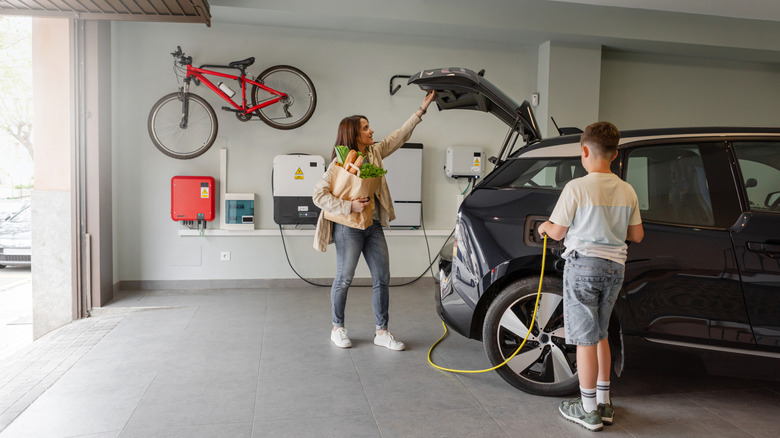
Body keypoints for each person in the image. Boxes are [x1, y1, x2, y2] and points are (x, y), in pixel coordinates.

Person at [537, 121, 644, 432]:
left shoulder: (577, 187)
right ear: (614, 154)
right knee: (600, 334)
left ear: (584, 151)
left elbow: (557, 230)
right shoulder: (627, 190)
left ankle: (587, 410)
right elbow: (636, 235)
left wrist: (544, 226)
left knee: (584, 340)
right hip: (615, 269)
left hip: (584, 267)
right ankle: (604, 403)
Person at [313, 91, 436, 351]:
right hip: (348, 228)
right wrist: (349, 205)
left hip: (373, 226)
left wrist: (421, 111)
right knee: (344, 278)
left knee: (382, 277)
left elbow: (398, 136)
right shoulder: (338, 163)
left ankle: (382, 332)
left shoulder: (375, 153)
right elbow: (318, 195)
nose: (372, 131)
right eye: (366, 128)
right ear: (354, 135)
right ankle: (338, 327)